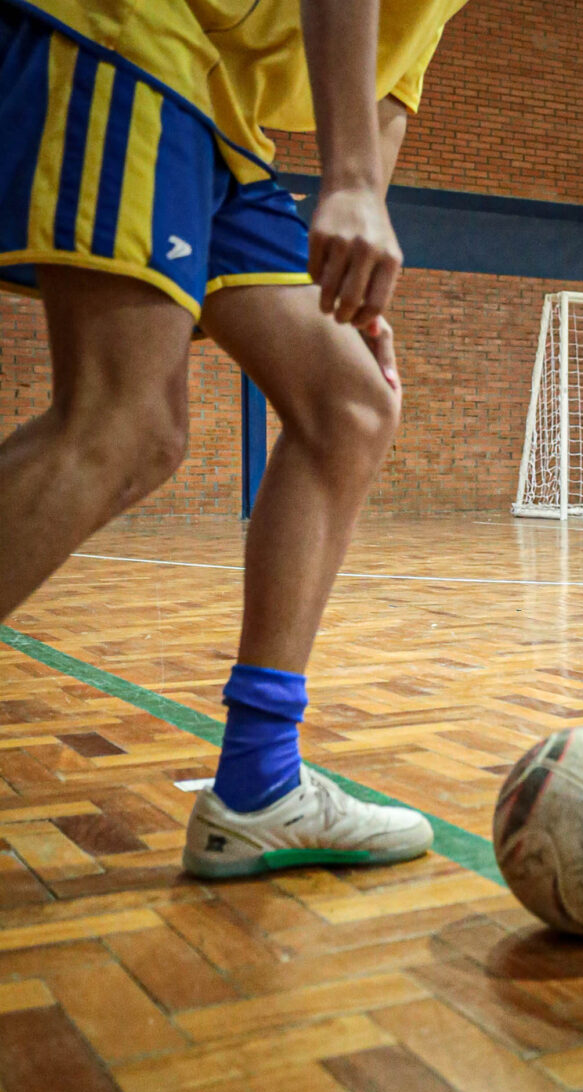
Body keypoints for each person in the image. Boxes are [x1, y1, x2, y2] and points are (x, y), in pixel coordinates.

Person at [0, 0, 466, 878]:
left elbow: (390, 93)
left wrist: (359, 276)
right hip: (132, 30)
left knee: (351, 408)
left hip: (217, 118)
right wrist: (348, 181)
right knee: (126, 425)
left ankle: (260, 784)